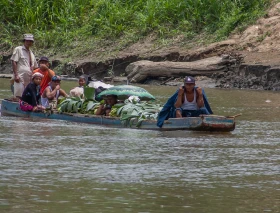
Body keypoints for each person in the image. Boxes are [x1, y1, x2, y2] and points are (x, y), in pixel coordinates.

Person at [10, 34, 38, 98]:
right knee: (18, 95)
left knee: (26, 97)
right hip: (20, 77)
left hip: (29, 79)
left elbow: (35, 67)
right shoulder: (18, 49)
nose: (29, 42)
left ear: (32, 43)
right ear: (24, 41)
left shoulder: (31, 53)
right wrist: (16, 75)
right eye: (27, 41)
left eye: (30, 41)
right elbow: (14, 61)